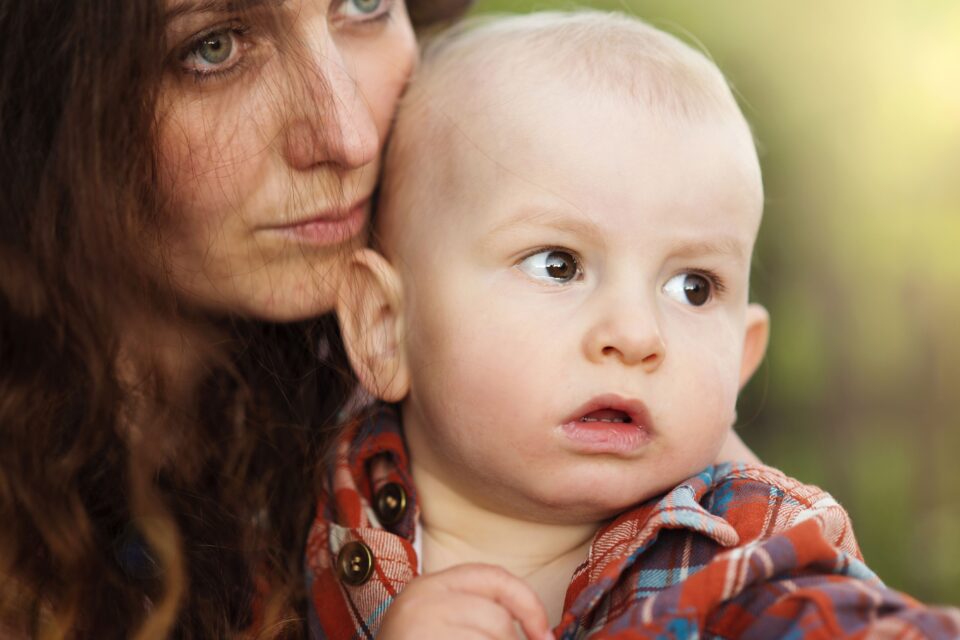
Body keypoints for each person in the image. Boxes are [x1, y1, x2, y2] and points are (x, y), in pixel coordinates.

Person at [312, 11, 960, 639]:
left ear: (741, 359)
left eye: (693, 287)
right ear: (384, 326)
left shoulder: (746, 556)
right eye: (558, 265)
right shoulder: (285, 496)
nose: (637, 335)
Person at [0, 0, 479, 637]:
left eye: (365, 5)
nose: (349, 136)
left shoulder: (470, 399)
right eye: (213, 47)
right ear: (37, 98)